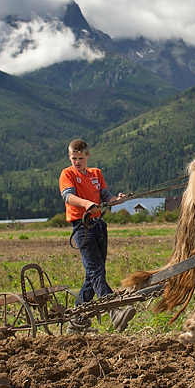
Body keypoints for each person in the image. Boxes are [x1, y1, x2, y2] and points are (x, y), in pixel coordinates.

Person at [59, 139, 135, 333]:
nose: (77, 162)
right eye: (74, 158)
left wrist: (119, 200)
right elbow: (68, 196)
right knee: (96, 271)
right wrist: (85, 204)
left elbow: (106, 197)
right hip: (82, 226)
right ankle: (114, 311)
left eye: (80, 158)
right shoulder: (67, 174)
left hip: (99, 226)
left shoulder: (96, 174)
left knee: (92, 275)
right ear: (70, 157)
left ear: (87, 156)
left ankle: (75, 320)